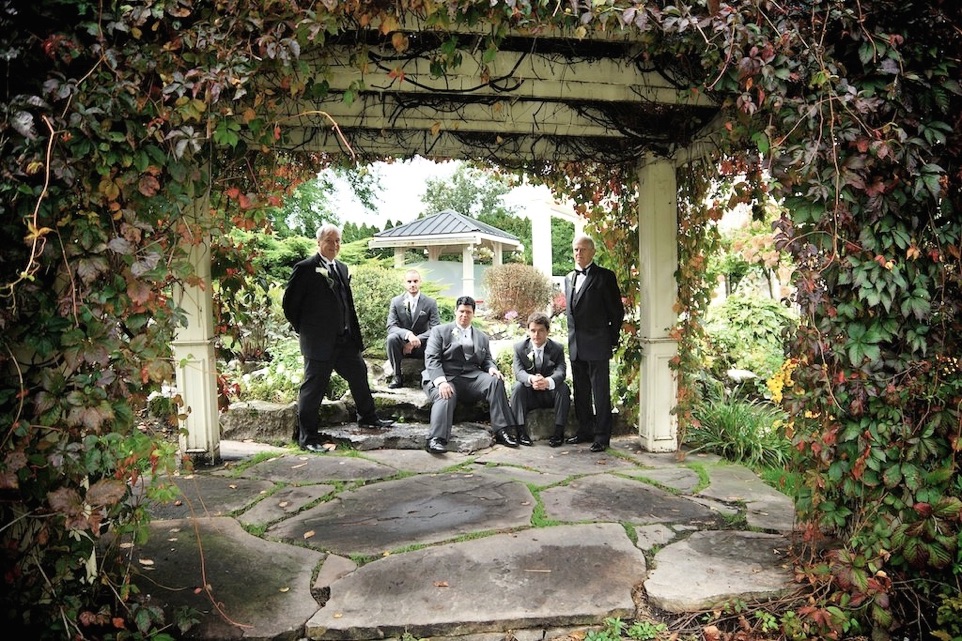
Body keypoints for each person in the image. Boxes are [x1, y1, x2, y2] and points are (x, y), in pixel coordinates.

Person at [282, 224, 394, 452]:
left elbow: (346, 304)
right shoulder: (305, 268)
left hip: (344, 340)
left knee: (359, 373)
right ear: (319, 242)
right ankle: (308, 438)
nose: (334, 245)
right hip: (319, 342)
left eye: (338, 241)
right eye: (330, 241)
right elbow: (290, 305)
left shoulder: (341, 268)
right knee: (313, 388)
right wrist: (306, 331)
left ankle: (368, 417)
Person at [421, 296, 519, 454]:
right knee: (446, 394)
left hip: (472, 377)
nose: (464, 315)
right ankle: (436, 439)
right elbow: (432, 359)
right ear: (455, 311)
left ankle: (503, 430)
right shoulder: (439, 332)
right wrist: (441, 382)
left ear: (473, 314)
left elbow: (487, 359)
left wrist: (491, 368)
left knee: (495, 381)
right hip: (446, 375)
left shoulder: (482, 337)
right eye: (461, 311)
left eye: (468, 312)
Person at [565, 234, 625, 452]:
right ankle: (585, 430)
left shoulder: (605, 277)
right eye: (575, 250)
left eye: (582, 250)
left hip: (598, 344)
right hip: (576, 345)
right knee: (581, 391)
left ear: (592, 252)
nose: (578, 253)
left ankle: (602, 436)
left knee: (600, 392)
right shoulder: (568, 278)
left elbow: (617, 312)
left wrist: (610, 339)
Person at [509, 311, 571, 447]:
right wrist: (532, 379)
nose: (536, 335)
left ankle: (558, 433)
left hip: (549, 395)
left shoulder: (557, 349)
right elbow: (519, 372)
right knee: (518, 387)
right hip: (530, 395)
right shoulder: (519, 348)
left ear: (547, 331)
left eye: (541, 331)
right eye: (533, 331)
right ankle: (521, 432)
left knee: (563, 388)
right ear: (528, 331)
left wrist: (547, 382)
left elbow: (561, 372)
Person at [385, 269, 441, 388]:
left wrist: (416, 340)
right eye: (409, 281)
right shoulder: (396, 302)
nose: (412, 284)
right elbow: (391, 326)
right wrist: (408, 335)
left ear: (420, 282)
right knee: (391, 338)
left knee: (435, 341)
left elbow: (435, 328)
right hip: (402, 345)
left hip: (422, 345)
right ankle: (397, 376)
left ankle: (427, 378)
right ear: (404, 283)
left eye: (415, 281)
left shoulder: (430, 303)